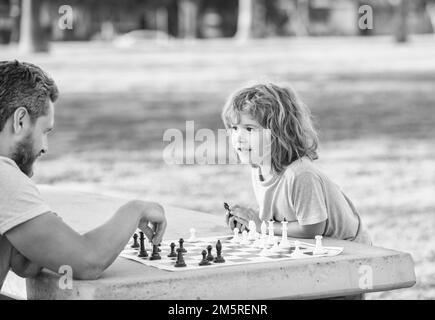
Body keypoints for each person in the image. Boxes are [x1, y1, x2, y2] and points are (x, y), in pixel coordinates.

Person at [0, 60, 167, 292]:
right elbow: (88, 261)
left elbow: (26, 264)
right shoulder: (4, 176)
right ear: (20, 120)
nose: (45, 147)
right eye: (44, 131)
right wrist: (135, 210)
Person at [221, 83, 371, 245]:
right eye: (234, 128)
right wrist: (247, 221)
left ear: (278, 132)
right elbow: (283, 218)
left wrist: (261, 226)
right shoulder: (260, 169)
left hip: (350, 251)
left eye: (249, 129)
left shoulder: (300, 174)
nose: (238, 137)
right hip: (314, 248)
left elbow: (312, 229)